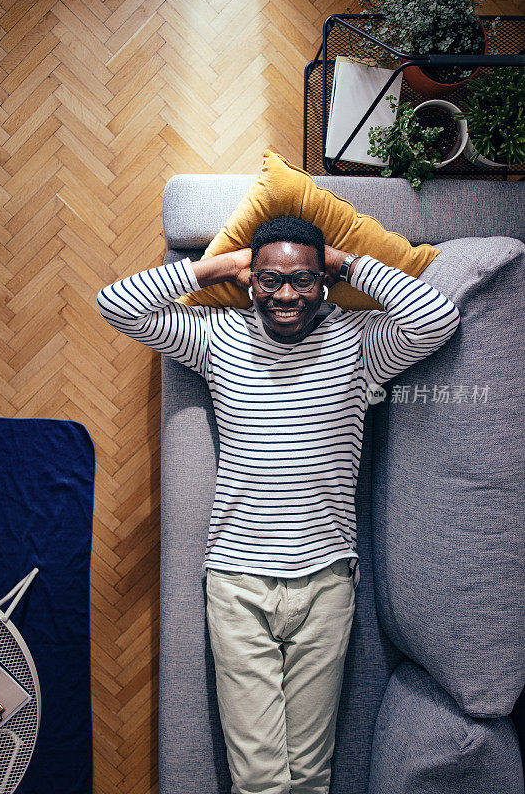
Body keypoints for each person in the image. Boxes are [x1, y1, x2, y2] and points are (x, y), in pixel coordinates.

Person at [97, 216, 460, 794]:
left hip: (327, 581)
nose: (286, 295)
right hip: (238, 583)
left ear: (321, 282)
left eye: (302, 280)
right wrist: (215, 266)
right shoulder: (217, 338)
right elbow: (116, 306)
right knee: (259, 779)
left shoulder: (361, 343)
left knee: (312, 776)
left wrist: (345, 263)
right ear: (250, 282)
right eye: (269, 280)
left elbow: (436, 319)